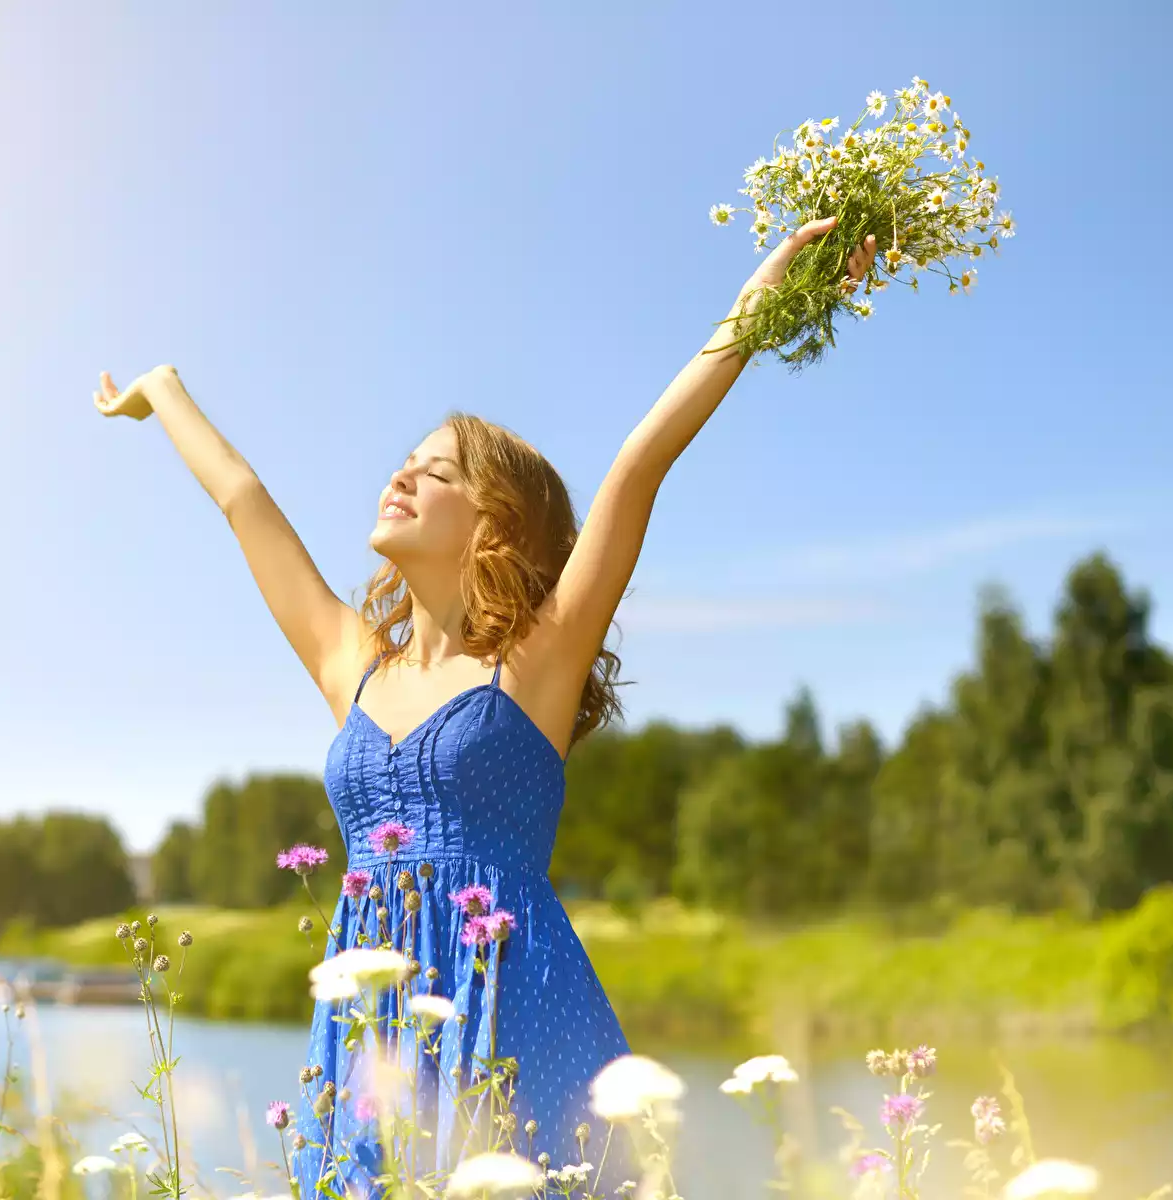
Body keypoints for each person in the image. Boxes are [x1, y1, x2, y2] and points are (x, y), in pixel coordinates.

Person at [96, 217, 879, 1198]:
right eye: (405, 461)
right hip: (369, 1025)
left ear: (496, 521)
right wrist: (161, 391)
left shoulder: (537, 665)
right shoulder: (354, 666)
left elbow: (639, 465)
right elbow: (243, 499)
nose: (402, 475)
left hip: (515, 1010)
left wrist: (770, 301)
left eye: (438, 470)